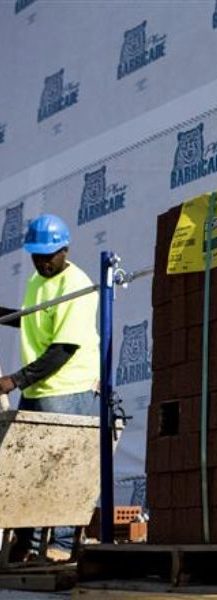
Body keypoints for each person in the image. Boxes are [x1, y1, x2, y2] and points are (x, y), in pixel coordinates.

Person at [0, 214, 100, 561]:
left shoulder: (76, 284)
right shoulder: (35, 282)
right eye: (36, 256)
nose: (42, 262)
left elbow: (63, 349)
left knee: (63, 466)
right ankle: (25, 544)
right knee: (25, 466)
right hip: (37, 389)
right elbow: (33, 321)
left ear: (64, 250)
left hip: (67, 388)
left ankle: (62, 543)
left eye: (48, 255)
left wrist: (13, 381)